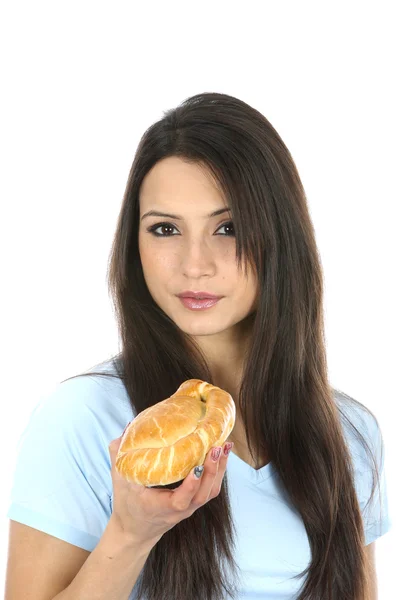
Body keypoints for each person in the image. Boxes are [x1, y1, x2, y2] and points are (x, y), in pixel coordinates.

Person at [5, 92, 391, 600]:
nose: (194, 264)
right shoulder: (85, 419)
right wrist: (131, 532)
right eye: (165, 229)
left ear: (281, 236)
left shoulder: (348, 432)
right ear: (133, 244)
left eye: (227, 228)